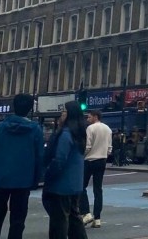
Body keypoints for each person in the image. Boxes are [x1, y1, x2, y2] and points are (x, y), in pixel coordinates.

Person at [0, 93, 44, 239]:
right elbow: (39, 158)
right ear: (30, 109)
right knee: (18, 221)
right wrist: (36, 180)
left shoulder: (0, 128)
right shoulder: (35, 129)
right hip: (23, 180)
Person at [43, 100, 87, 239]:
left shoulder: (66, 134)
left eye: (64, 112)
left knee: (59, 222)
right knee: (74, 219)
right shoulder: (79, 134)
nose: (61, 115)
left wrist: (48, 174)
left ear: (69, 115)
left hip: (61, 184)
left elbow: (59, 160)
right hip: (75, 184)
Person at [80, 109, 111, 229]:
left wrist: (83, 155)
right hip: (102, 160)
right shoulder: (107, 129)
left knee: (81, 187)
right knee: (98, 190)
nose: (87, 119)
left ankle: (86, 213)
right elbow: (109, 147)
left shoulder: (90, 129)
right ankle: (97, 218)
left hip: (90, 160)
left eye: (89, 117)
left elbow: (87, 146)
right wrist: (104, 155)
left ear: (95, 117)